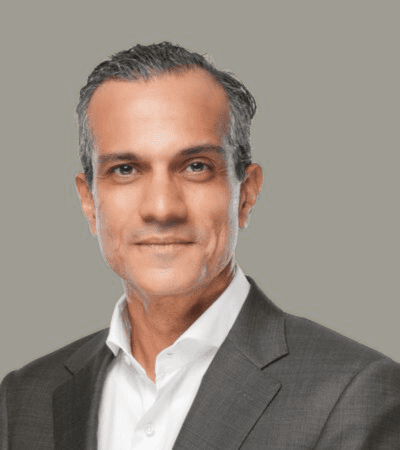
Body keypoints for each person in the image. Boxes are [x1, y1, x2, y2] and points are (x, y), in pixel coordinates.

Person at [1, 42, 399, 450]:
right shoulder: (21, 399)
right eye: (126, 169)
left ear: (246, 194)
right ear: (89, 202)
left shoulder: (354, 395)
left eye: (195, 167)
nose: (161, 208)